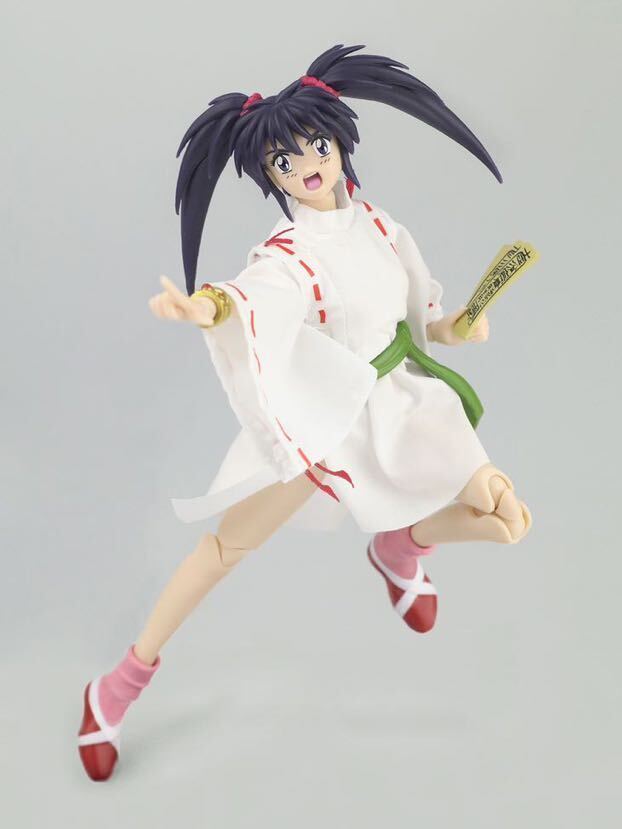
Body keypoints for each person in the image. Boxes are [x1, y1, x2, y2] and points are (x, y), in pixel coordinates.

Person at [78, 44, 531, 782]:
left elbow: (424, 319)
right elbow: (250, 296)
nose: (308, 166)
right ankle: (116, 686)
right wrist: (203, 306)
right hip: (325, 423)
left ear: (340, 141)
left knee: (507, 519)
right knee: (221, 554)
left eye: (317, 145)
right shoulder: (287, 255)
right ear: (271, 176)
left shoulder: (381, 226)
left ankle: (400, 547)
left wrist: (458, 326)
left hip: (400, 407)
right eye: (284, 161)